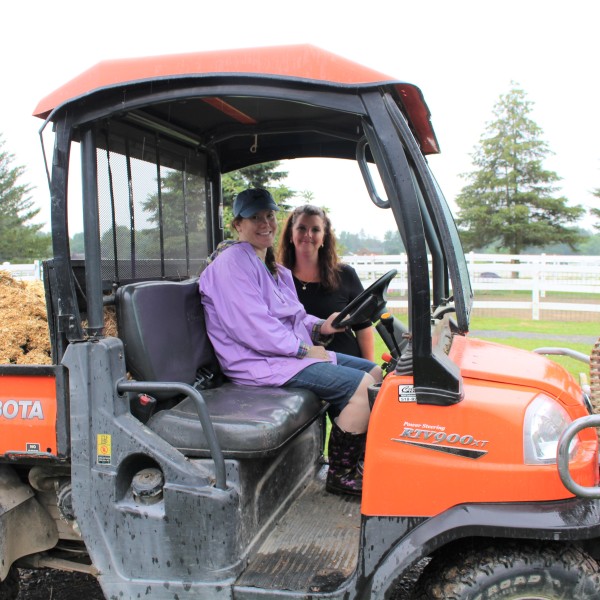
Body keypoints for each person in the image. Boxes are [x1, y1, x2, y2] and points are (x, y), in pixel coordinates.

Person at [200, 188, 382, 496]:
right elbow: (253, 328)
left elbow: (294, 316)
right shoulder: (233, 263)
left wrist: (322, 325)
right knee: (362, 387)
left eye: (269, 216)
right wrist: (303, 349)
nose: (265, 224)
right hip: (257, 362)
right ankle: (341, 474)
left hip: (283, 358)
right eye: (255, 218)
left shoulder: (274, 269)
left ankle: (355, 455)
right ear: (237, 225)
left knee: (374, 373)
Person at [278, 204, 375, 361]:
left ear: (324, 238)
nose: (308, 234)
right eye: (301, 228)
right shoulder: (277, 279)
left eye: (315, 230)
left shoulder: (345, 275)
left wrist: (369, 366)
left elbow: (363, 327)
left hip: (347, 364)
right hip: (300, 367)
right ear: (291, 234)